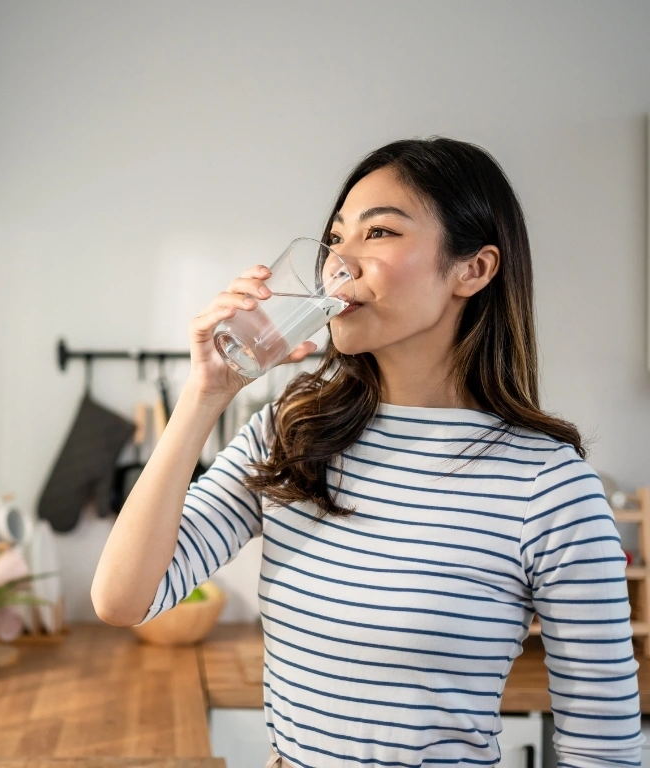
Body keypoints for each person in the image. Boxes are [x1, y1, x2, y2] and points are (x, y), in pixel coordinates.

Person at [91, 137, 644, 767]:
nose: (338, 265)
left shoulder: (549, 486)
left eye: (378, 233)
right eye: (334, 239)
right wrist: (203, 396)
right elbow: (123, 599)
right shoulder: (291, 433)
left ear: (474, 269)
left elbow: (604, 749)